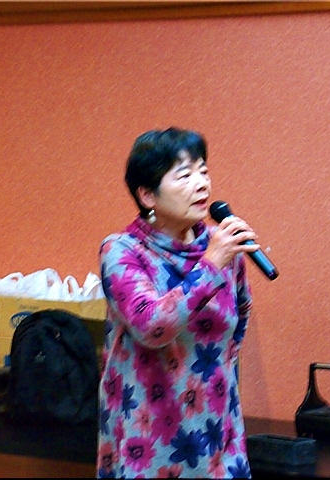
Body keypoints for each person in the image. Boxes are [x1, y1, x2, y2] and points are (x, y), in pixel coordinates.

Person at [96, 127, 259, 478]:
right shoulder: (122, 251)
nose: (202, 184)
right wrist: (210, 265)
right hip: (149, 438)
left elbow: (240, 317)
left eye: (203, 171)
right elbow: (151, 326)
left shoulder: (221, 245)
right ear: (147, 195)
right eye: (184, 175)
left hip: (219, 433)